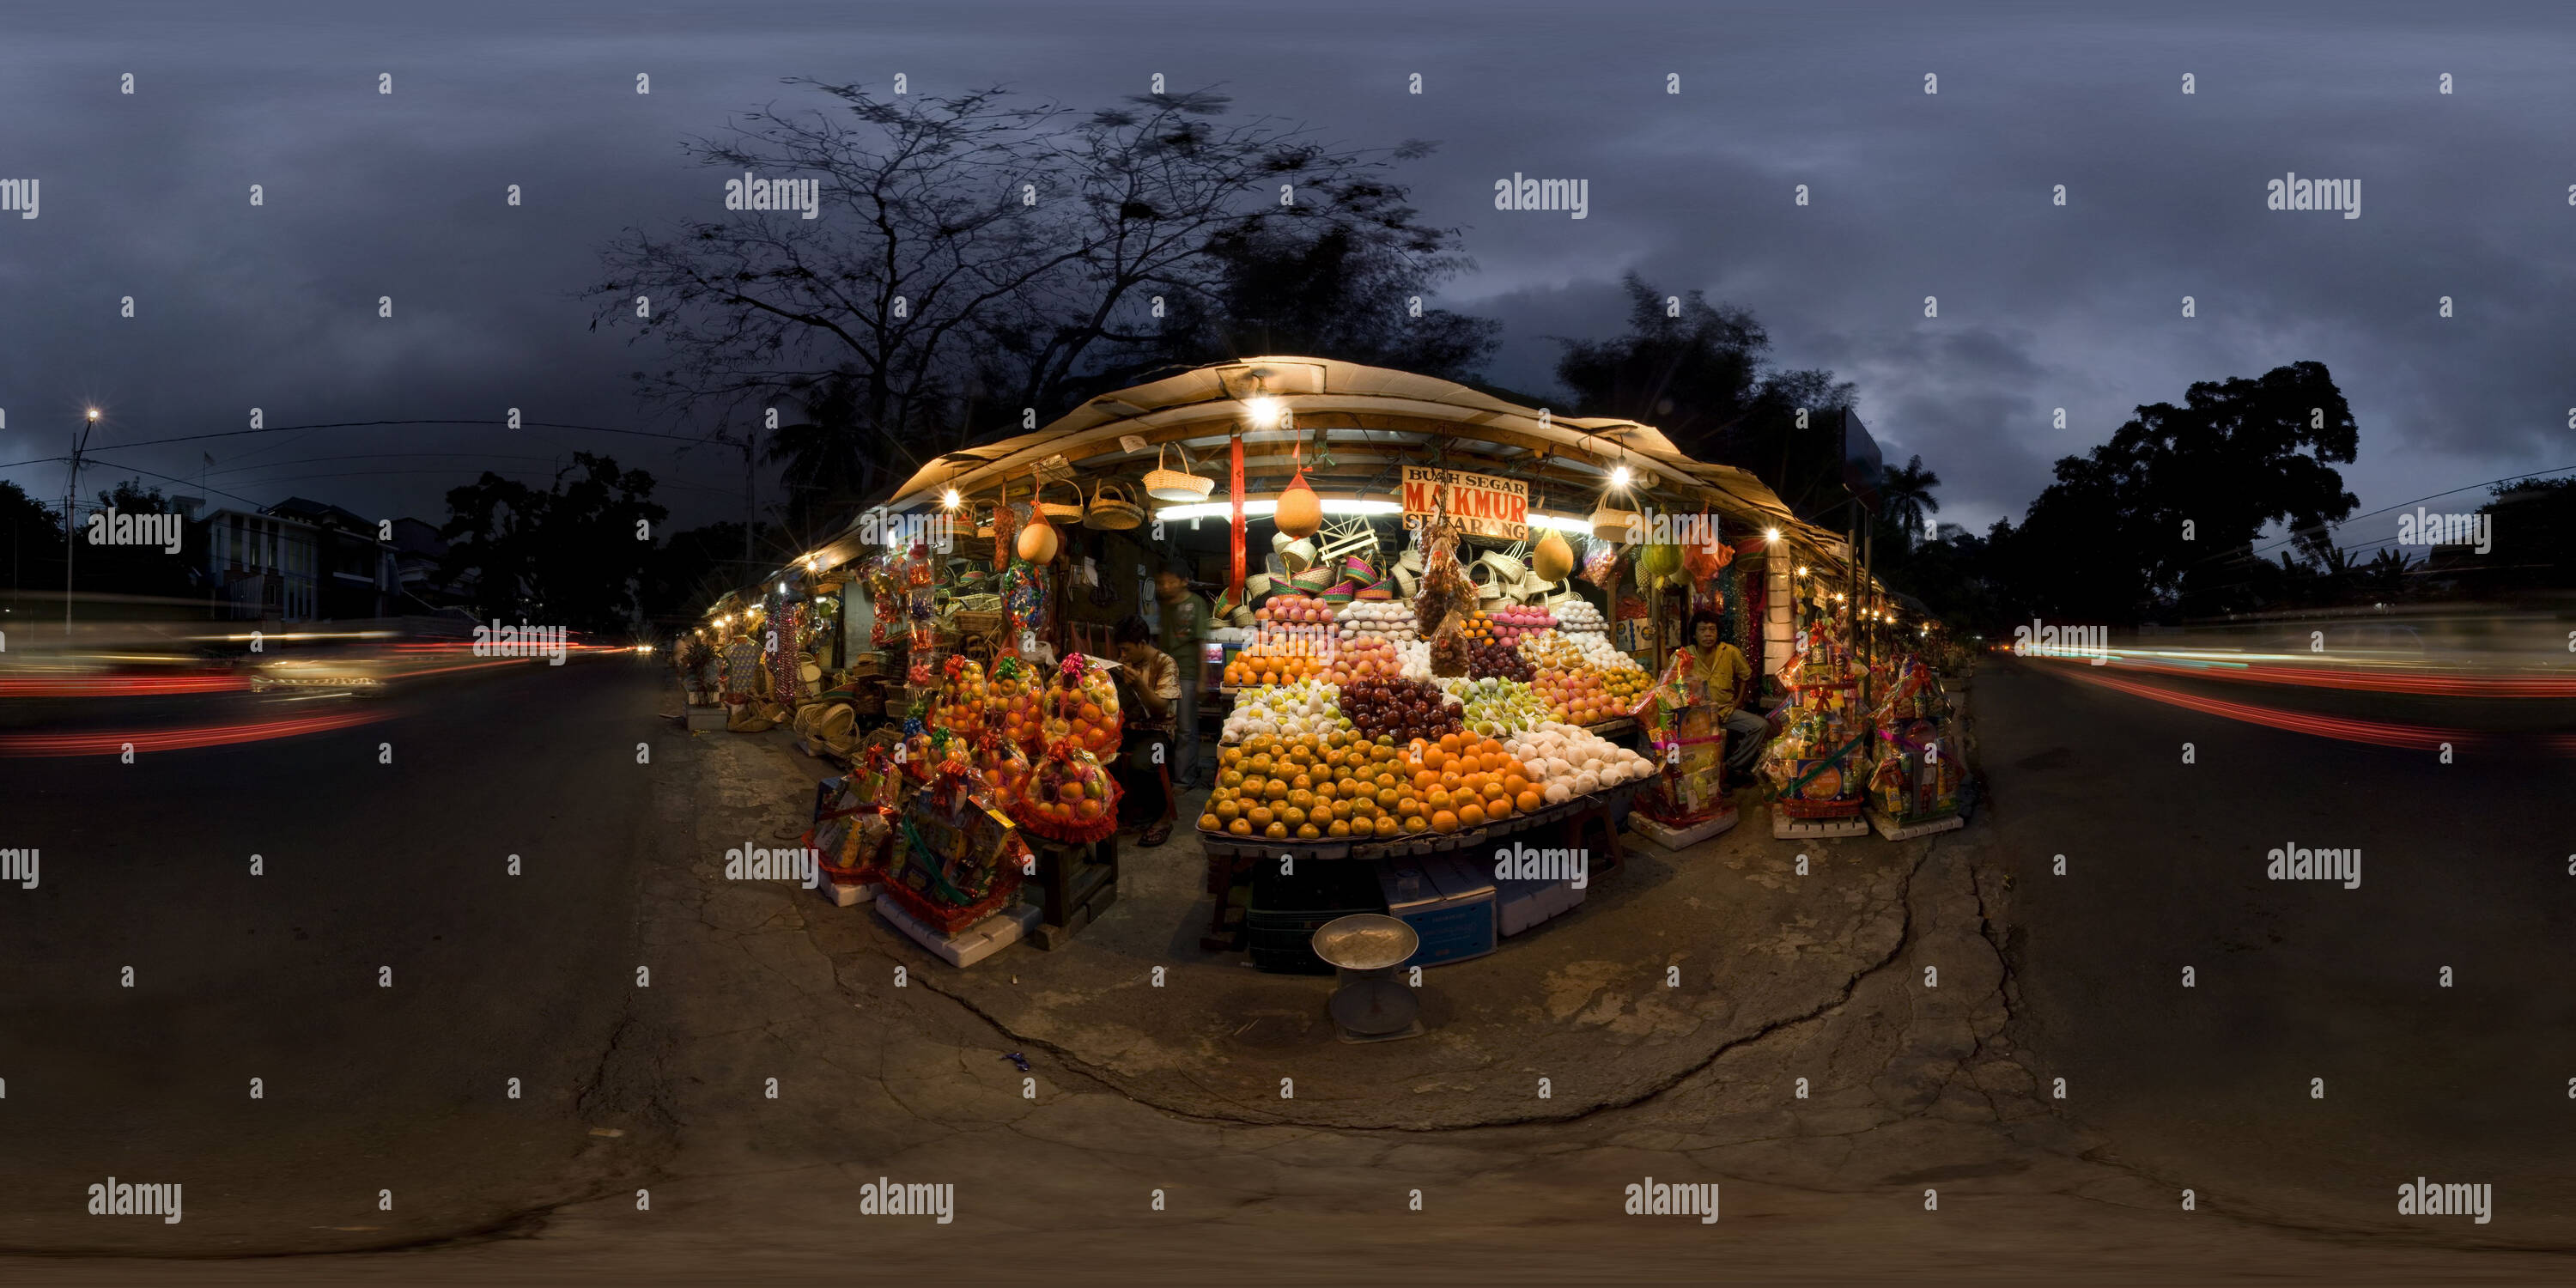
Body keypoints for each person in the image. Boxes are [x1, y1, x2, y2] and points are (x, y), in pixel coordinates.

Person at [1110, 614, 1182, 847]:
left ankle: (1162, 817)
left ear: (1143, 644)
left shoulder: (1165, 663)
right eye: (1120, 651)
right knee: (1098, 756)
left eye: (1126, 650)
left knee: (1142, 762)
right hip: (1129, 727)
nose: (1123, 656)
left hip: (1158, 732)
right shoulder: (1126, 663)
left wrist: (1140, 685)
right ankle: (1123, 812)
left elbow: (1161, 707)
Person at [1152, 562, 1209, 788]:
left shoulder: (1196, 604)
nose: (1165, 587)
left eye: (1170, 582)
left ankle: (1184, 779)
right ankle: (1167, 775)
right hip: (1164, 673)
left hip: (1186, 672)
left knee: (1186, 728)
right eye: (1161, 582)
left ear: (1184, 581)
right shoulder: (1164, 605)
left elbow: (1201, 643)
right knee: (1166, 725)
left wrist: (1202, 680)